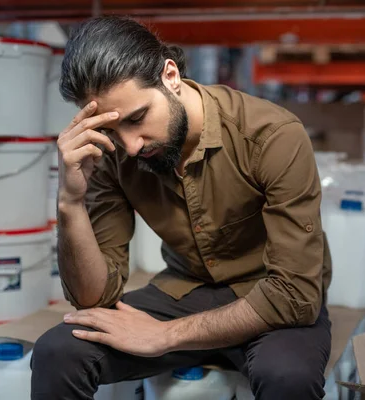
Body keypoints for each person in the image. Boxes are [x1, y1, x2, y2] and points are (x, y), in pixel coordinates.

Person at [31, 15, 332, 400]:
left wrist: (165, 336)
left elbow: (295, 294)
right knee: (58, 352)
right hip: (186, 291)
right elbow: (93, 298)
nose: (132, 146)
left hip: (271, 295)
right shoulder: (111, 156)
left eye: (138, 118)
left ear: (170, 76)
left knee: (288, 377)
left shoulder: (271, 136)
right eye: (111, 130)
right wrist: (70, 201)